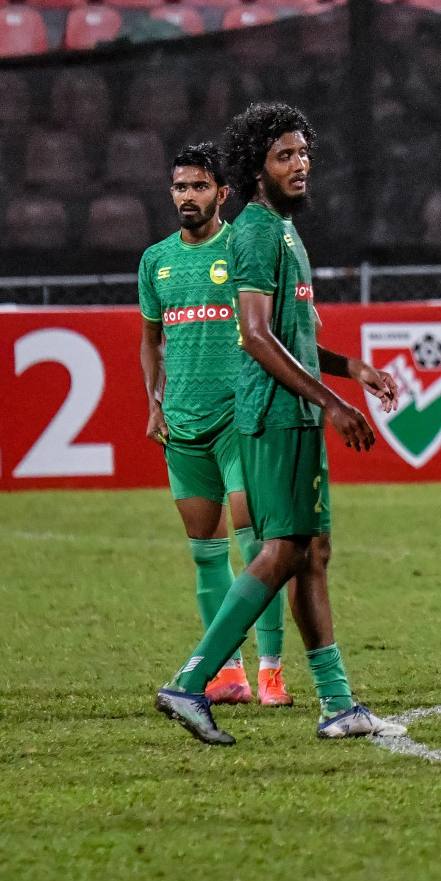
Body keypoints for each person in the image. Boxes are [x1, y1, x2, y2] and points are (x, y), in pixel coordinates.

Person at [154, 102, 405, 745]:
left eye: (303, 153)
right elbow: (257, 337)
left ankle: (339, 704)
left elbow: (291, 335)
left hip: (294, 412)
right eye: (285, 156)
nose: (301, 164)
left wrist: (354, 369)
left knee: (311, 552)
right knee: (286, 548)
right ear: (256, 168)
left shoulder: (284, 231)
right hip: (276, 417)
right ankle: (191, 682)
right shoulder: (259, 232)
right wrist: (332, 402)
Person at [139, 143, 290, 707]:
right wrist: (154, 403)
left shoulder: (244, 247)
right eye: (180, 187)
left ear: (222, 193)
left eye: (199, 186)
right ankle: (229, 674)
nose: (187, 196)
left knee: (257, 546)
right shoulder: (156, 260)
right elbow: (151, 339)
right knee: (205, 550)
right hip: (183, 424)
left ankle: (272, 670)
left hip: (240, 419)